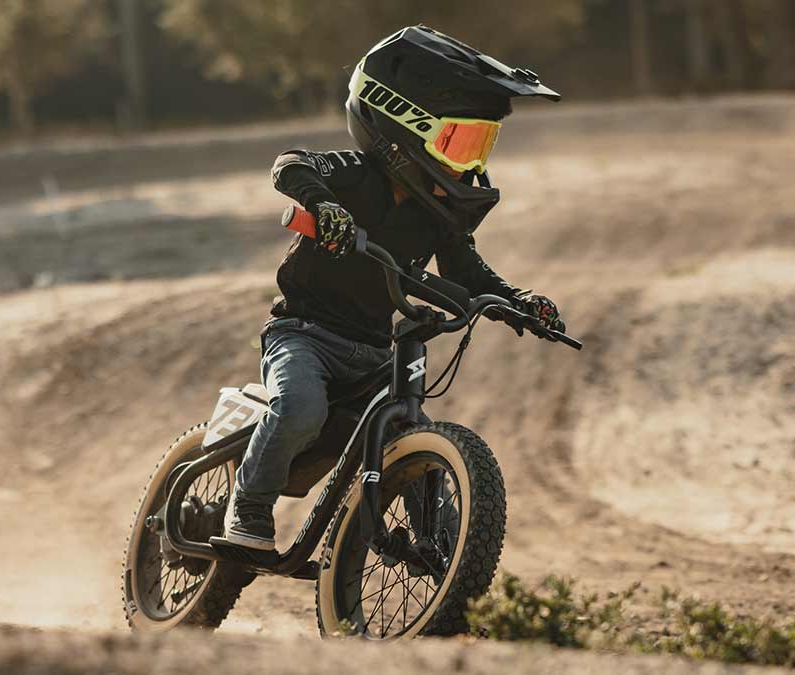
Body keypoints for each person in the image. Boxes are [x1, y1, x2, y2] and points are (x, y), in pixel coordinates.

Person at [223, 25, 566, 551]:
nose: (471, 161)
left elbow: (467, 273)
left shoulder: (439, 217)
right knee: (300, 409)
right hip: (304, 334)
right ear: (406, 126)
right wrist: (325, 206)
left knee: (413, 439)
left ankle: (445, 553)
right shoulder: (358, 173)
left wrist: (517, 302)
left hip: (371, 353)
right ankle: (247, 506)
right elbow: (291, 163)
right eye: (460, 141)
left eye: (481, 144)